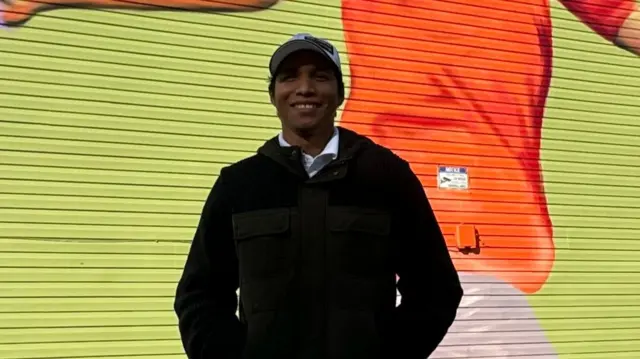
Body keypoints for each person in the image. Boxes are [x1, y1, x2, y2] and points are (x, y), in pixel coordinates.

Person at [173, 33, 463, 359]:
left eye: (320, 76)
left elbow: (435, 289)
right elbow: (200, 295)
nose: (305, 88)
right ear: (273, 95)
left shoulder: (386, 177)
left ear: (339, 94)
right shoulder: (239, 184)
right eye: (289, 77)